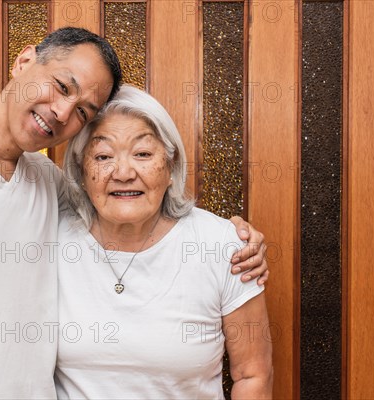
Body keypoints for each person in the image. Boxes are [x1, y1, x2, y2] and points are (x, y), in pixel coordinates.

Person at [0, 28, 267, 399]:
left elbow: (130, 201)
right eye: (62, 86)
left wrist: (235, 236)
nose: (63, 112)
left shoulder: (50, 184)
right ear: (24, 60)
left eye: (82, 111)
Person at [55, 85, 273, 398]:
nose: (124, 172)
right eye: (103, 156)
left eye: (143, 154)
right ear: (81, 170)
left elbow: (254, 375)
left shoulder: (223, 246)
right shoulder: (49, 239)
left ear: (170, 166)